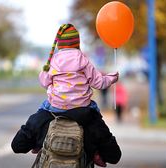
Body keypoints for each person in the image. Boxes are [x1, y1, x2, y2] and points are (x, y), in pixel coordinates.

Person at [11, 23, 121, 167]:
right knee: (97, 117)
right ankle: (94, 153)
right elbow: (99, 83)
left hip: (54, 110)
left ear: (59, 45)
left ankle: (40, 142)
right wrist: (112, 78)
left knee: (41, 109)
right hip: (84, 112)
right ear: (77, 43)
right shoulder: (84, 60)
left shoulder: (53, 61)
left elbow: (17, 146)